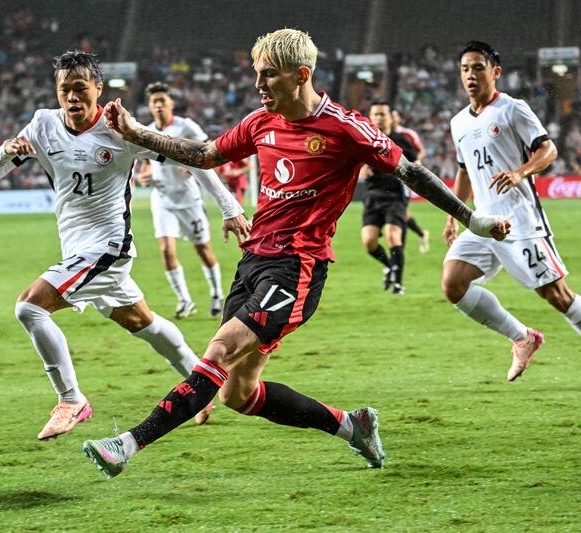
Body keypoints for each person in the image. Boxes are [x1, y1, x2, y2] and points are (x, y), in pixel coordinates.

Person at [82, 29, 509, 479]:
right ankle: (352, 426)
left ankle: (125, 445)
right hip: (253, 262)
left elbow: (411, 172)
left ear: (301, 75)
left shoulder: (345, 127)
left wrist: (472, 220)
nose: (259, 84)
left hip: (297, 268)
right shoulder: (260, 123)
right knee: (237, 394)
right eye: (257, 74)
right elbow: (205, 154)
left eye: (269, 75)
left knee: (220, 350)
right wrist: (136, 133)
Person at [0, 50, 250, 440]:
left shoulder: (120, 129)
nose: (72, 98)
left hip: (108, 248)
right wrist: (6, 151)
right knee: (141, 321)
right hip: (76, 249)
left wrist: (229, 207)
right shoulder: (43, 124)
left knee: (29, 307)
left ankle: (71, 400)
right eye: (64, 90)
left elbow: (192, 159)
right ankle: (203, 386)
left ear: (98, 89)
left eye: (80, 89)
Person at [442, 41, 581, 391]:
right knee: (453, 283)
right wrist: (455, 214)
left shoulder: (513, 109)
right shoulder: (458, 123)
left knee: (557, 294)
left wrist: (520, 171)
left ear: (495, 72)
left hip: (520, 221)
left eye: (478, 68)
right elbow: (465, 170)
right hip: (483, 222)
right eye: (465, 68)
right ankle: (522, 338)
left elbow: (549, 150)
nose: (470, 75)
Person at [136, 82, 243, 319]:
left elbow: (208, 151)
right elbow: (143, 164)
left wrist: (196, 165)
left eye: (163, 100)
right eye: (155, 101)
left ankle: (216, 294)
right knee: (166, 250)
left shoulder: (186, 126)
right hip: (163, 200)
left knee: (202, 249)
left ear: (172, 103)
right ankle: (185, 300)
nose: (159, 105)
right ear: (150, 106)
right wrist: (143, 177)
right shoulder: (147, 132)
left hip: (189, 200)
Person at [359, 101, 418, 294]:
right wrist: (360, 169)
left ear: (390, 117)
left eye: (383, 114)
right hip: (372, 195)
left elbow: (414, 162)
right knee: (369, 241)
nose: (379, 118)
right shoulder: (363, 140)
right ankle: (389, 266)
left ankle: (398, 284)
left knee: (394, 237)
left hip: (394, 196)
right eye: (375, 114)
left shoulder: (400, 140)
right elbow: (352, 163)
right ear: (370, 117)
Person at [392, 110, 430, 253]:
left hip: (403, 177)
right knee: (401, 214)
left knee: (400, 214)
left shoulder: (407, 134)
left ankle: (397, 253)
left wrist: (417, 162)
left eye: (395, 116)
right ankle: (420, 233)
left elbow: (421, 151)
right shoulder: (380, 132)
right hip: (386, 178)